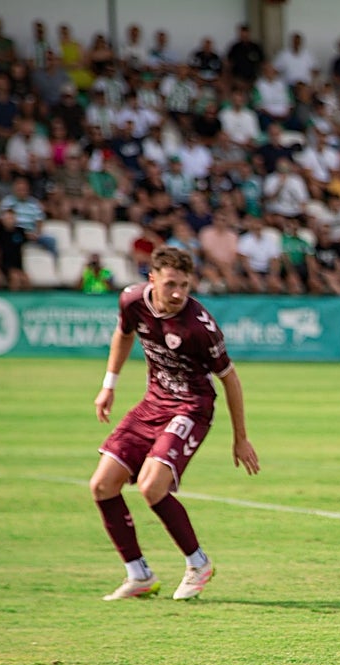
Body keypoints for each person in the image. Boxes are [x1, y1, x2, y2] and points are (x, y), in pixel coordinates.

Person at [90, 246, 259, 602]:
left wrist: (240, 438)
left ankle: (198, 564)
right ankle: (139, 575)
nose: (179, 293)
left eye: (184, 284)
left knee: (152, 487)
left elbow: (230, 379)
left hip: (192, 407)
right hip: (152, 404)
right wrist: (109, 386)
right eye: (170, 284)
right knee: (102, 484)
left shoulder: (200, 326)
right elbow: (124, 334)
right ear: (152, 279)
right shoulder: (132, 301)